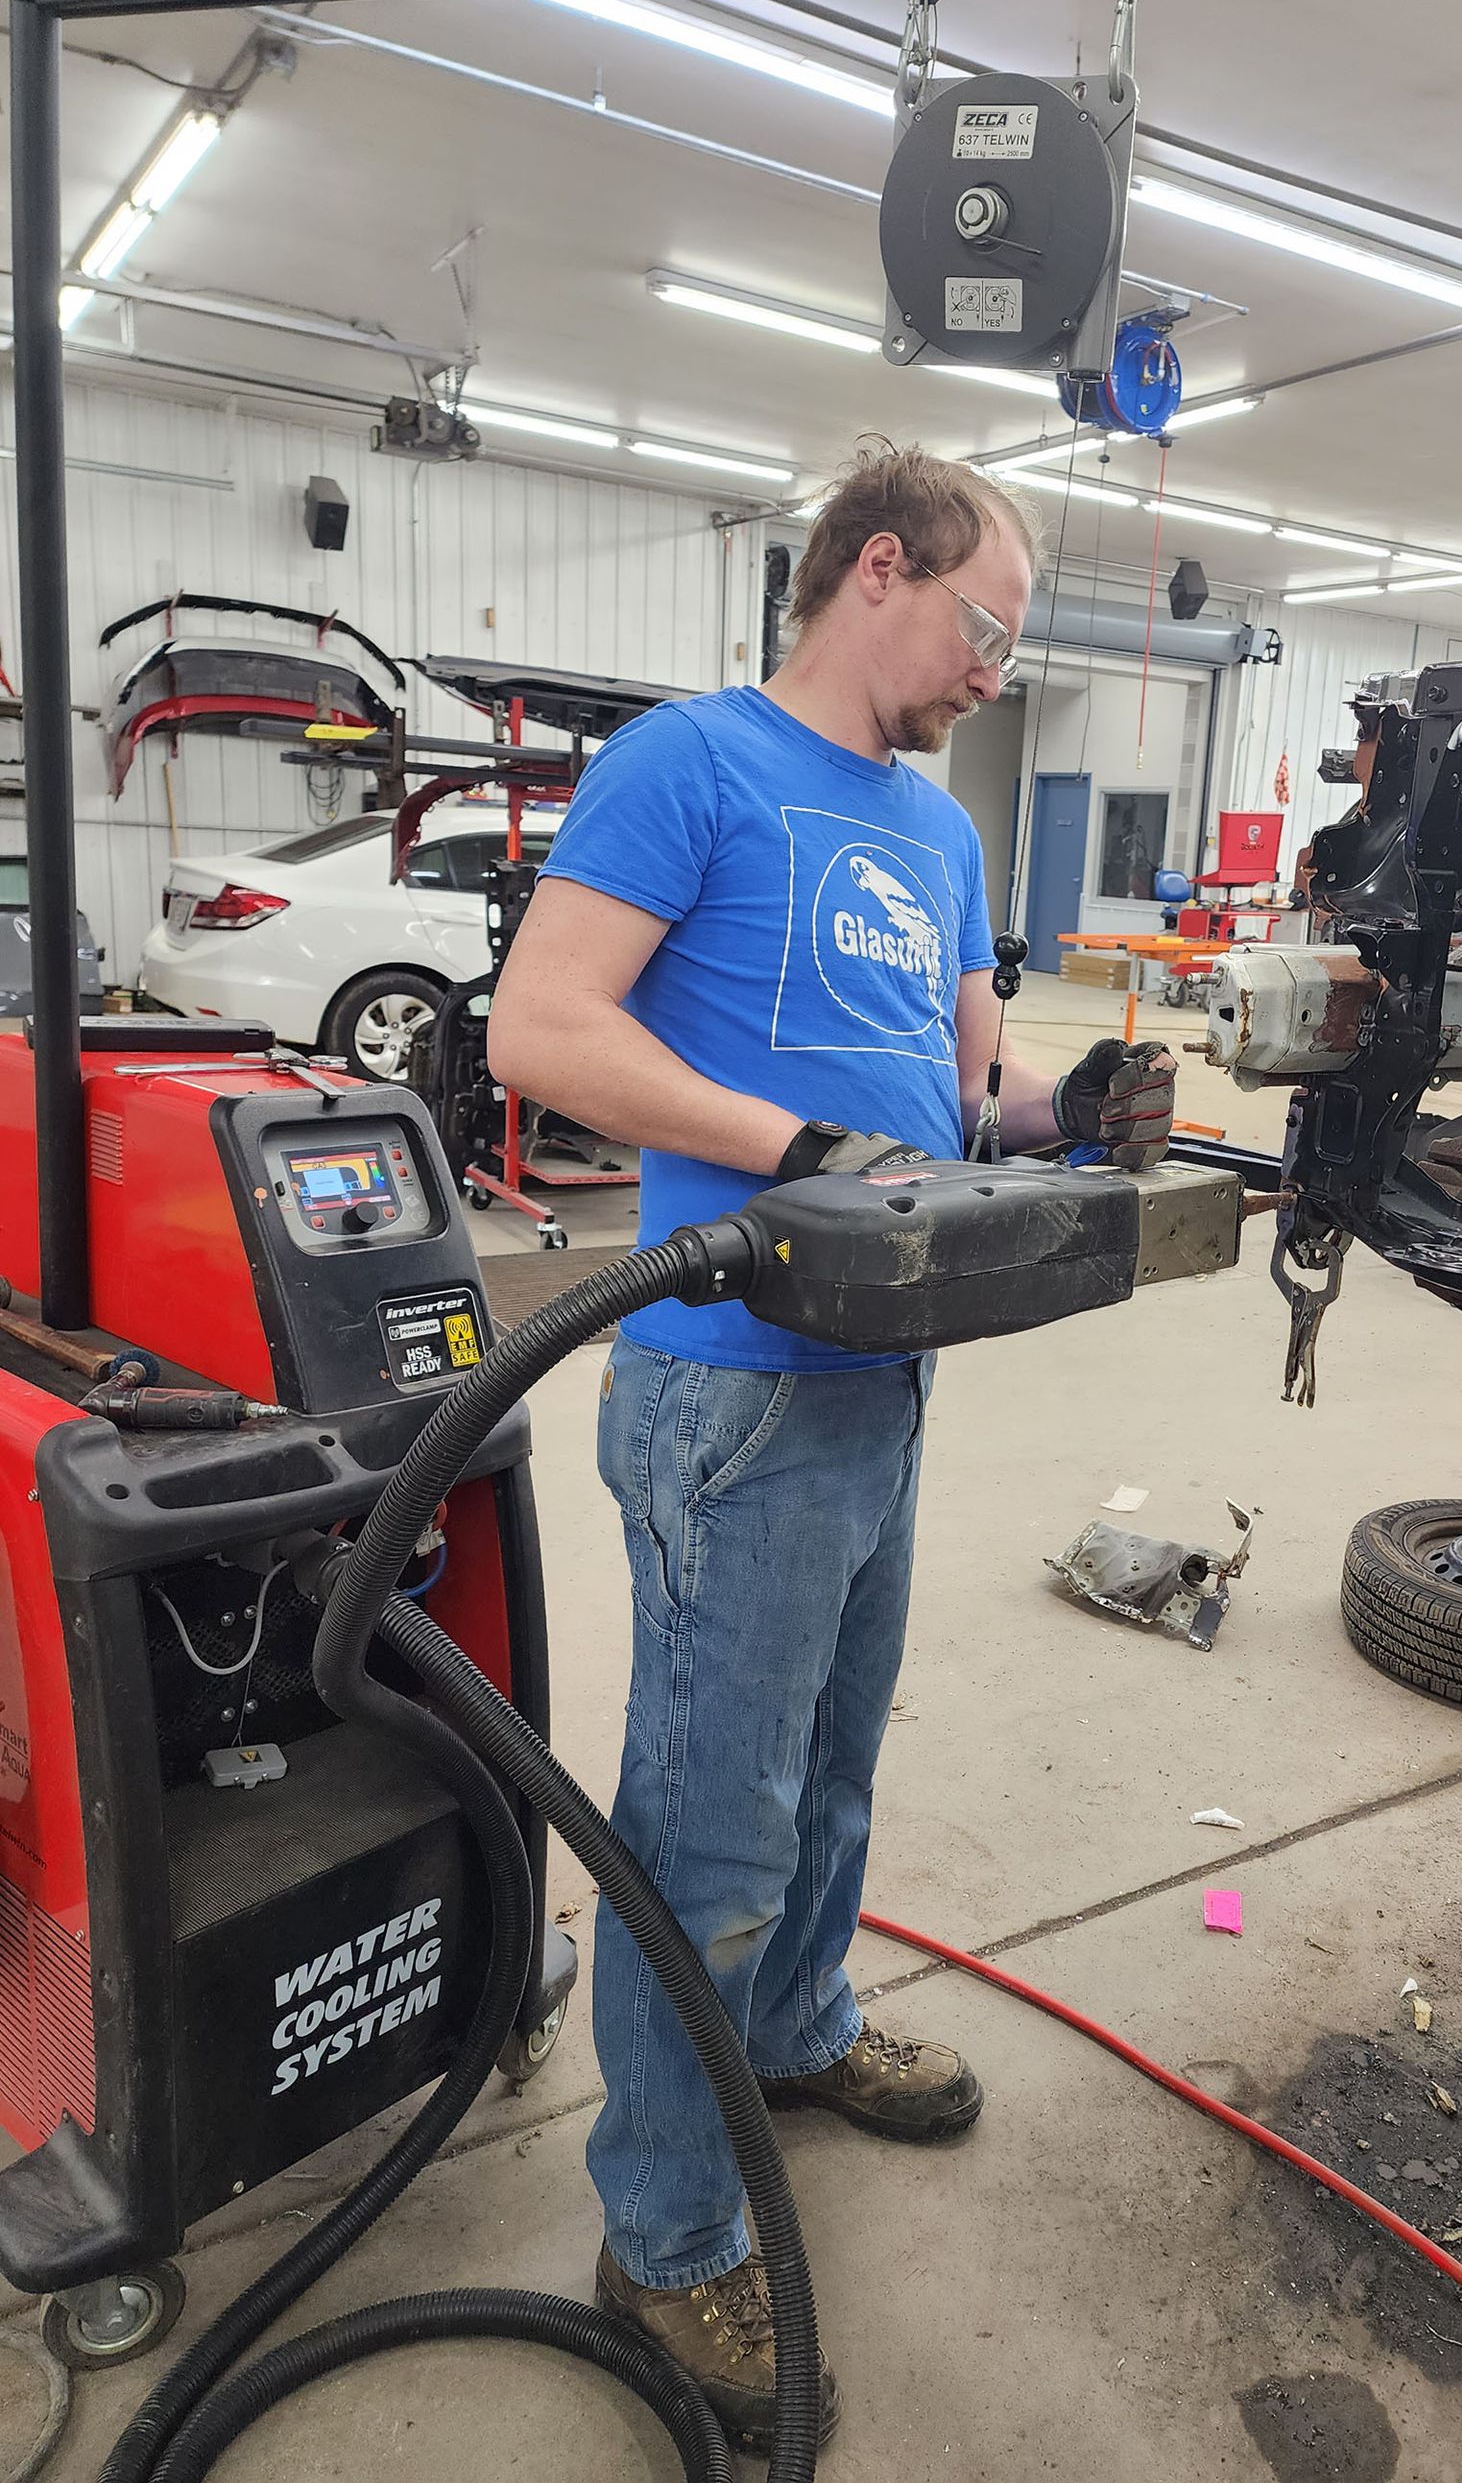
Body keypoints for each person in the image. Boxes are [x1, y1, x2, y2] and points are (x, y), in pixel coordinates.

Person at [487, 440, 1175, 2452]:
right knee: (710, 1820)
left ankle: (791, 2032)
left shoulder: (938, 825)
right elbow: (542, 1026)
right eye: (983, 628)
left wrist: (1090, 1095)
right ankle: (666, 2226)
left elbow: (966, 1079)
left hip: (888, 1368)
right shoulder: (693, 764)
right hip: (730, 1380)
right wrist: (791, 1151)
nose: (992, 669)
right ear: (880, 567)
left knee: (832, 1768)